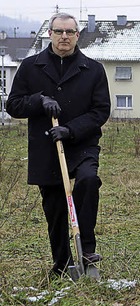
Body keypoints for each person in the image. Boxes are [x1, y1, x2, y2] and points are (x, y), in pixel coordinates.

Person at [6, 12, 110, 276]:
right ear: (49, 34)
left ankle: (86, 247)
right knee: (54, 208)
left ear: (77, 35)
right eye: (59, 31)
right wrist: (39, 100)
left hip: (82, 143)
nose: (64, 37)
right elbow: (14, 105)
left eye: (70, 32)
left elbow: (100, 111)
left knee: (88, 180)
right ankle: (61, 266)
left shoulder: (93, 69)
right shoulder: (31, 67)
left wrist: (71, 129)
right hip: (46, 147)